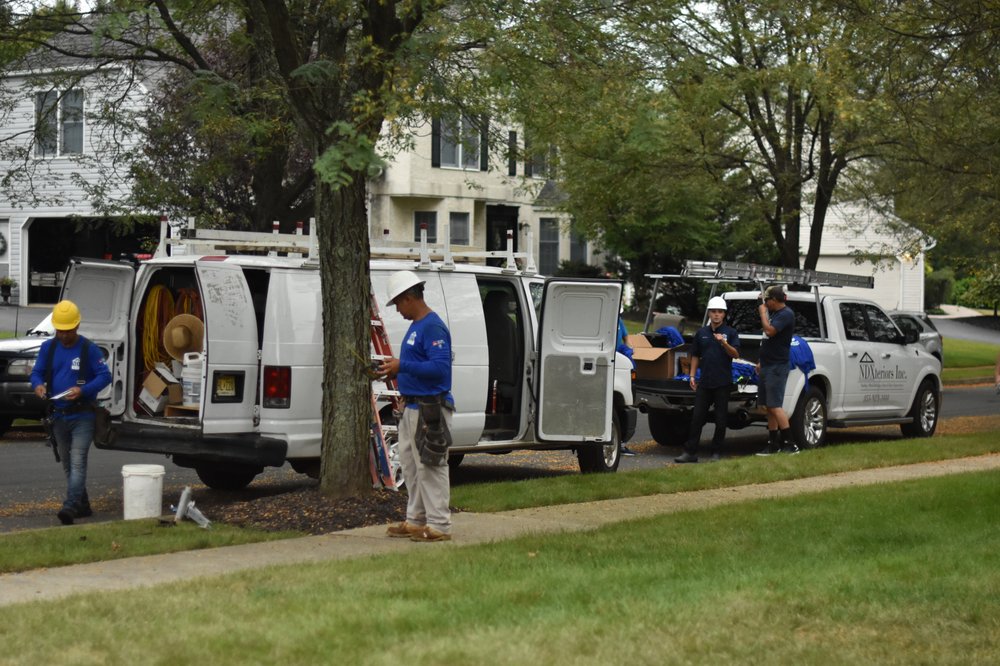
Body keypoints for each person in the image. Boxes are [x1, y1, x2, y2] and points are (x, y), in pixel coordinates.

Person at [379, 271, 455, 542]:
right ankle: (416, 520)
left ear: (409, 298)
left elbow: (440, 369)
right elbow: (421, 366)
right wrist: (397, 374)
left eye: (398, 304)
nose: (398, 310)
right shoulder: (417, 326)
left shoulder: (432, 327)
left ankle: (440, 526)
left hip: (430, 409)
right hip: (414, 406)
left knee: (431, 465)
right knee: (411, 466)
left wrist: (402, 366)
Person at [30, 300, 112, 525]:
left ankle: (70, 506)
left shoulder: (88, 348)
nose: (63, 335)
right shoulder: (49, 347)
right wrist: (38, 385)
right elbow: (36, 373)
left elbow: (105, 376)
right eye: (60, 331)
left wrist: (83, 390)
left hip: (83, 415)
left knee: (77, 462)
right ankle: (83, 505)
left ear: (76, 327)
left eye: (68, 331)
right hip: (58, 416)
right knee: (67, 463)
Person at [675, 296, 740, 463]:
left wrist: (724, 343)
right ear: (709, 313)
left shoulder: (731, 332)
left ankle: (716, 452)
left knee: (720, 419)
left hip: (723, 383)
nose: (716, 315)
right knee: (697, 418)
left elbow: (736, 354)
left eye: (720, 312)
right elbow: (695, 355)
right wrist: (691, 375)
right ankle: (690, 452)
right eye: (713, 311)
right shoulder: (701, 333)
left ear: (724, 314)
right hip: (704, 382)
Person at [755, 285, 798, 455]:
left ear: (774, 299)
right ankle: (773, 444)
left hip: (777, 366)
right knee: (767, 406)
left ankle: (790, 443)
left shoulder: (786, 314)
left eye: (767, 300)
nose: (765, 304)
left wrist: (762, 313)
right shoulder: (775, 314)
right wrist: (760, 361)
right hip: (766, 364)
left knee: (775, 405)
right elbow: (767, 340)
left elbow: (770, 331)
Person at [616, 317, 637, 456]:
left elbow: (626, 338)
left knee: (623, 405)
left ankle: (621, 443)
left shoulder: (620, 321)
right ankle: (619, 443)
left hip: (619, 362)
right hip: (613, 361)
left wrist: (630, 350)